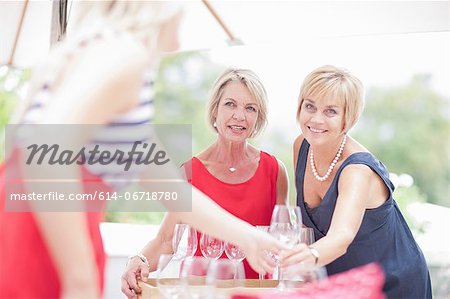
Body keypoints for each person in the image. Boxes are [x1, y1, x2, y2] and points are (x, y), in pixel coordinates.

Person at [0, 2, 286, 298]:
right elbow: (44, 148)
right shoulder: (126, 57)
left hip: (36, 227)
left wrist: (249, 238)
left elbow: (173, 191)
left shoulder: (96, 49)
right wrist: (80, 276)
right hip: (50, 241)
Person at [121, 68, 288, 297]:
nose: (239, 116)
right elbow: (166, 240)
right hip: (201, 294)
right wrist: (137, 260)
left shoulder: (275, 171)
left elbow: (281, 239)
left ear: (258, 117)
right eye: (230, 104)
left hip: (256, 293)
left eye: (250, 108)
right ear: (215, 111)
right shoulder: (191, 172)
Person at [281, 65, 432, 298]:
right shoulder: (302, 146)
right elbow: (305, 225)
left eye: (330, 111)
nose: (316, 119)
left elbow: (341, 237)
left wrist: (308, 257)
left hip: (390, 283)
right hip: (344, 283)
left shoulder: (357, 170)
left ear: (347, 118)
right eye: (309, 106)